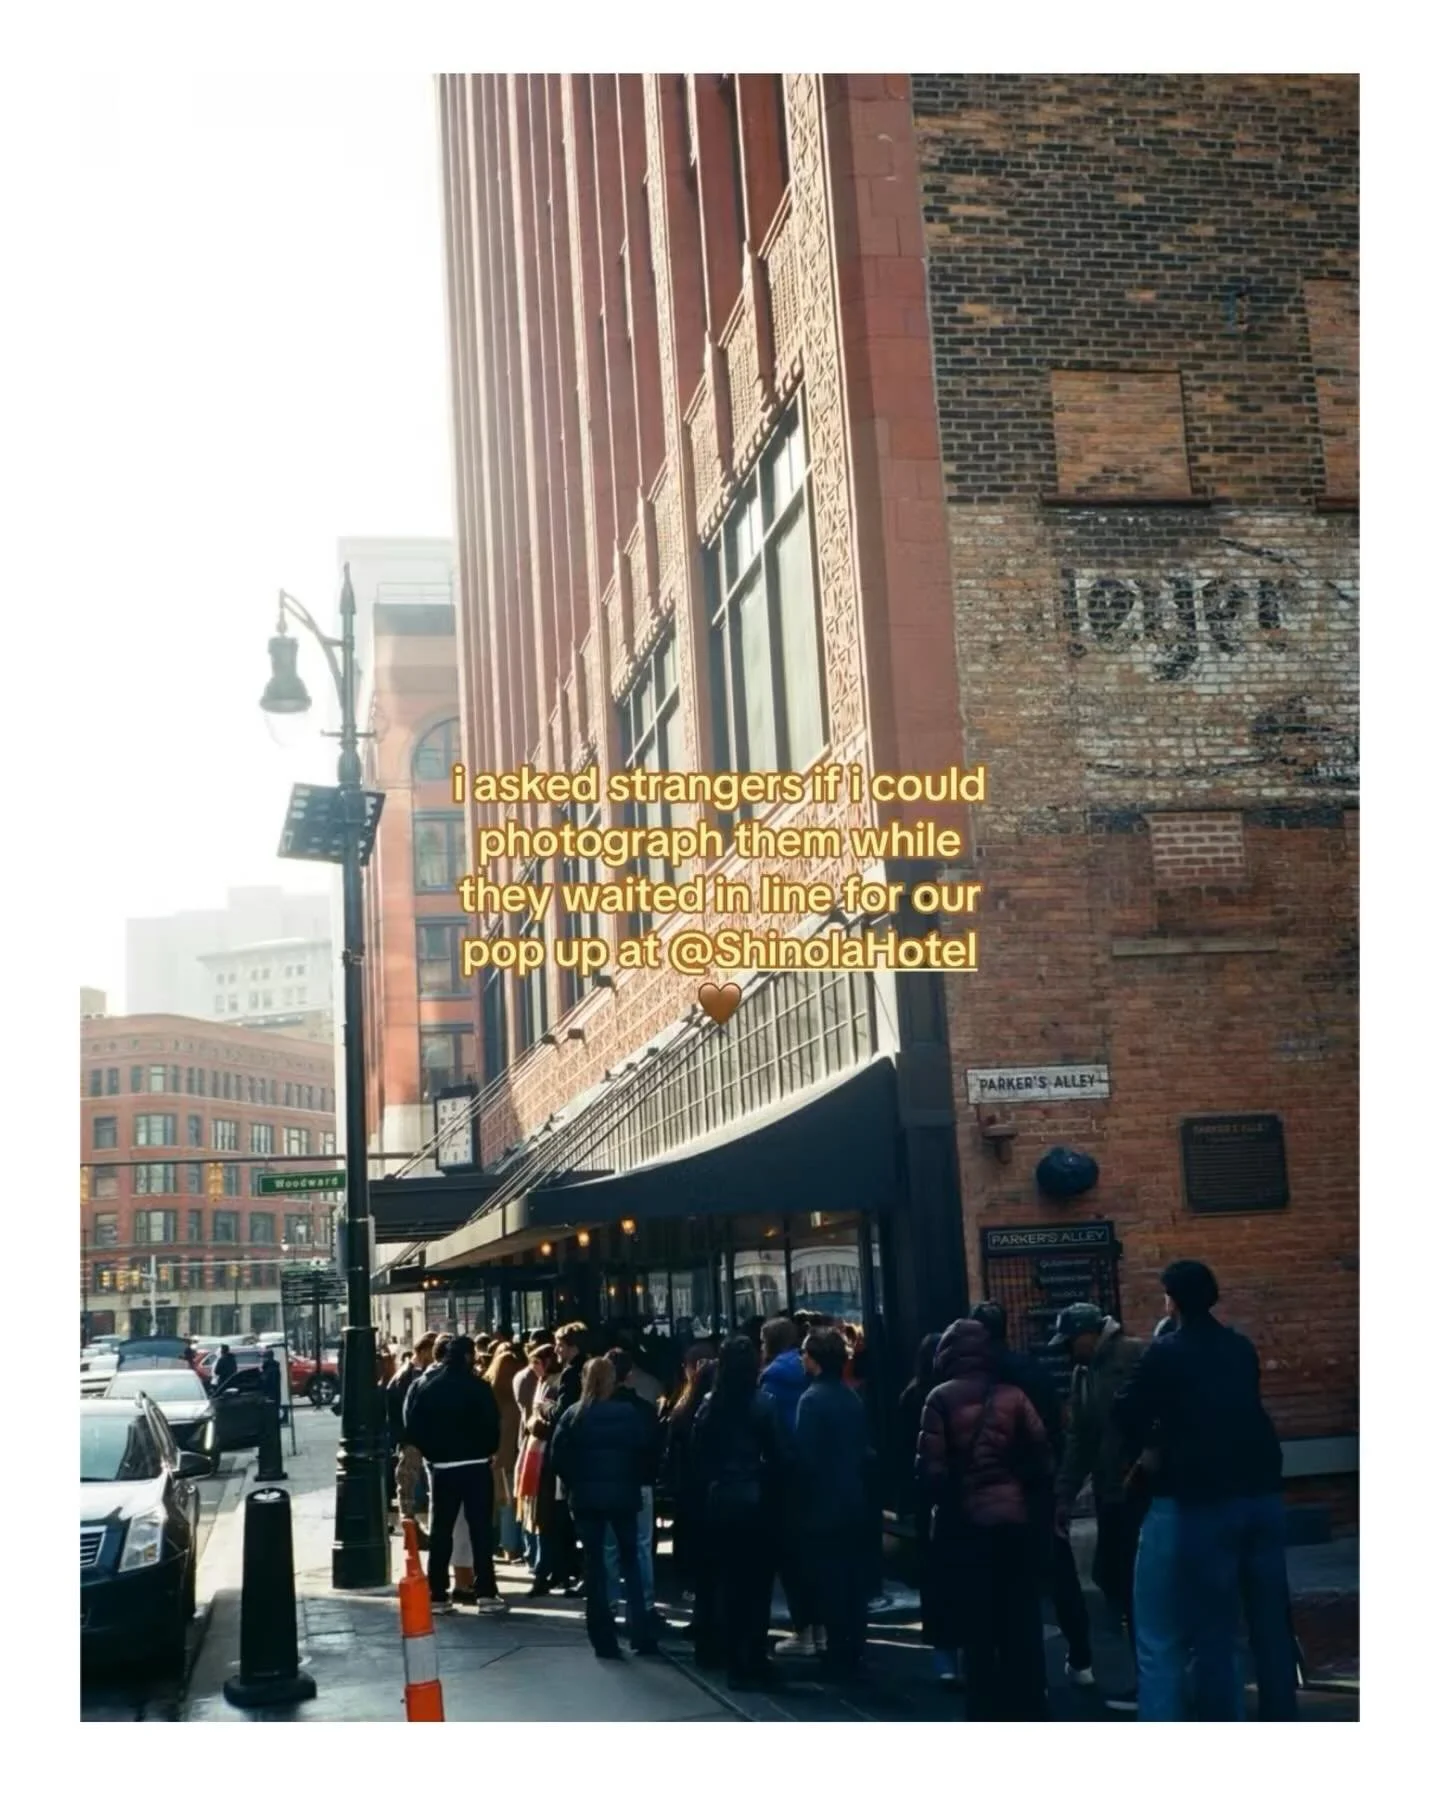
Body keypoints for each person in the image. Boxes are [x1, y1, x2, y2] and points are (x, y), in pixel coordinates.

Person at [1114, 1260, 1295, 1722]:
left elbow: (1127, 1411)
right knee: (1271, 1624)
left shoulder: (1166, 1352)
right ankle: (1282, 1719)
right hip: (1263, 1491)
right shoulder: (1240, 1348)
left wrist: (1160, 1434)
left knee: (1215, 1630)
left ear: (1172, 1300)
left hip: (1205, 1498)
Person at [917, 1318, 1053, 1721]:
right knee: (1021, 1618)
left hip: (967, 1526)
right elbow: (1044, 1457)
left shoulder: (940, 1399)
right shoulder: (1012, 1395)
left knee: (977, 1624)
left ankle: (984, 1708)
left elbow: (931, 1471)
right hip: (1014, 1521)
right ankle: (1029, 1704)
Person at [972, 1301, 1093, 1690]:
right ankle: (1082, 1659)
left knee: (1010, 1586)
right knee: (1061, 1577)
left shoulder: (975, 1378)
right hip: (1039, 1484)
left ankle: (1023, 1673)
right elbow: (1058, 1427)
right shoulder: (1033, 1372)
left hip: (997, 1491)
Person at [1050, 1300, 1149, 1711]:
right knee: (1116, 1581)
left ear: (1091, 1334)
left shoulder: (1135, 1355)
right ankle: (1149, 1675)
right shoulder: (1083, 1373)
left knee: (1135, 1586)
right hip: (1114, 1494)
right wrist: (1064, 1494)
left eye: (1071, 1342)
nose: (1067, 1351)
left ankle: (1153, 1680)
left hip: (1140, 1492)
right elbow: (1081, 1440)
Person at [549, 1356, 659, 1659]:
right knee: (631, 1562)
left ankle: (603, 1637)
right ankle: (641, 1632)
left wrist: (576, 1484)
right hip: (624, 1496)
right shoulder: (628, 1414)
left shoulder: (574, 1415)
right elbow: (645, 1452)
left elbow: (558, 1459)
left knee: (595, 1566)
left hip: (587, 1498)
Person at [692, 1336, 786, 1691]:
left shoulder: (709, 1405)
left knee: (729, 1583)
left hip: (720, 1501)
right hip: (756, 1501)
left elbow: (699, 1456)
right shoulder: (763, 1404)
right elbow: (779, 1454)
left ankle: (734, 1660)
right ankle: (754, 1656)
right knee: (757, 1584)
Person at [403, 1334, 507, 1616]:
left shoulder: (429, 1389)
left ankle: (438, 1594)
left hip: (443, 1468)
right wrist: (487, 1450)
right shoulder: (479, 1387)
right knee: (480, 1531)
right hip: (475, 1466)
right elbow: (493, 1426)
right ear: (468, 1356)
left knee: (441, 1532)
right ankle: (486, 1592)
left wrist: (433, 1454)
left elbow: (414, 1428)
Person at [793, 1326, 872, 1679]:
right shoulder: (851, 1397)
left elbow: (805, 1458)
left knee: (829, 1580)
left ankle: (838, 1652)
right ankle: (853, 1647)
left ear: (816, 1360)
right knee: (851, 1580)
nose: (802, 1358)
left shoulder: (810, 1400)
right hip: (852, 1497)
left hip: (822, 1503)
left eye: (805, 1354)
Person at [897, 1332, 955, 1682]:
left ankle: (943, 1654)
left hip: (925, 1497)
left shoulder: (912, 1396)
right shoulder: (957, 1396)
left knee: (933, 1580)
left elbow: (904, 1450)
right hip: (953, 1497)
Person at [759, 1317, 816, 1657]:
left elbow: (770, 1424)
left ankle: (804, 1630)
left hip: (784, 1473)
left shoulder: (772, 1376)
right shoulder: (807, 1369)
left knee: (790, 1555)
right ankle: (819, 1630)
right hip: (813, 1469)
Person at [603, 1348, 662, 1627]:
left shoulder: (592, 1411)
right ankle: (645, 1605)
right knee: (640, 1547)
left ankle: (610, 1604)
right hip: (639, 1484)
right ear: (629, 1375)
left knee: (609, 1548)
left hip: (607, 1485)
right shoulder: (644, 1410)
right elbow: (654, 1449)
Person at [660, 1348, 716, 1603]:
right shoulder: (721, 1406)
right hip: (712, 1486)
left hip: (687, 1486)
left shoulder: (682, 1408)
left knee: (689, 1542)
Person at [389, 1332, 438, 1545]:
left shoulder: (413, 1374)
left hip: (418, 1437)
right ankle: (411, 1530)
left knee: (421, 1484)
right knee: (408, 1484)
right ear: (425, 1351)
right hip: (412, 1440)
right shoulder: (406, 1376)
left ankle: (416, 1529)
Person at [518, 1343, 560, 1580]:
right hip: (534, 1448)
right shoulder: (541, 1382)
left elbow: (544, 1417)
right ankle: (540, 1559)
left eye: (536, 1361)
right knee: (535, 1508)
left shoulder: (553, 1382)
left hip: (542, 1448)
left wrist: (535, 1422)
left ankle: (545, 1562)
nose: (532, 1367)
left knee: (543, 1510)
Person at [486, 1343, 526, 1563]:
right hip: (512, 1458)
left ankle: (500, 1544)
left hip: (493, 1458)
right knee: (510, 1505)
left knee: (498, 1506)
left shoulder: (490, 1397)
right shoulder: (515, 1402)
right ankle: (512, 1546)